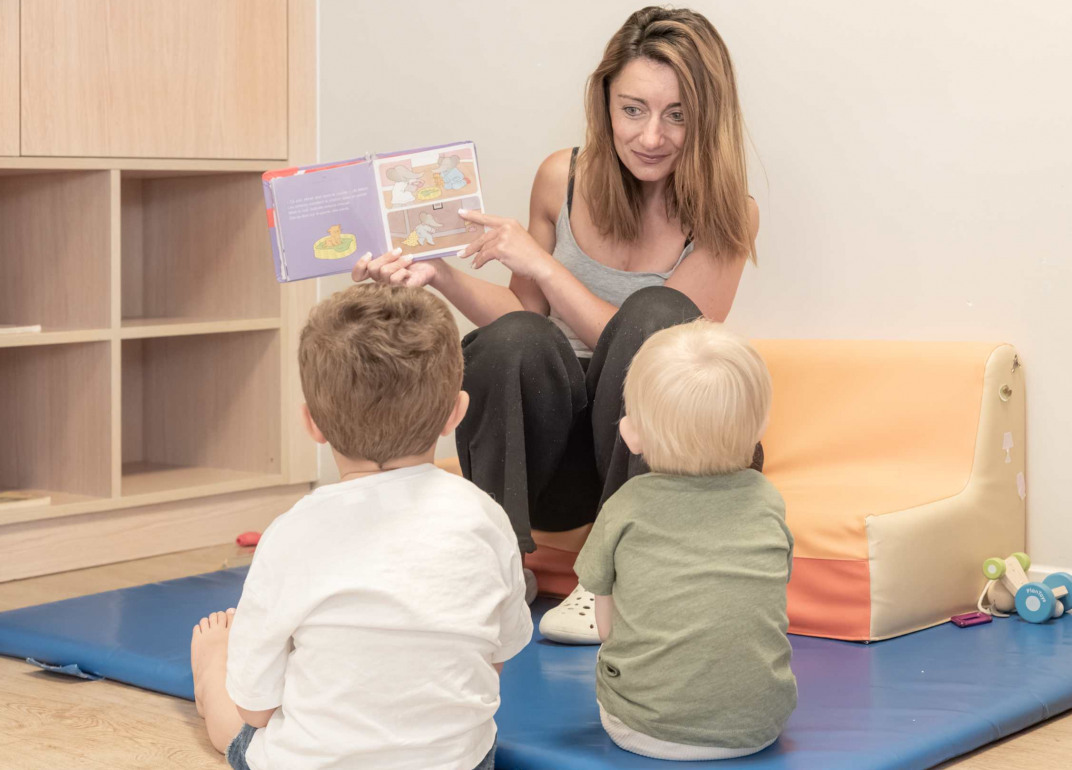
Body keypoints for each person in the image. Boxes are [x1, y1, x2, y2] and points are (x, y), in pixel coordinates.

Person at [354, 6, 759, 641]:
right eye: (633, 110)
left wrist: (543, 265)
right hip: (563, 465)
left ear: (708, 118)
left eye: (677, 114)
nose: (652, 135)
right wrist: (441, 274)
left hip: (660, 450)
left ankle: (612, 578)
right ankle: (499, 567)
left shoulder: (729, 213)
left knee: (657, 316)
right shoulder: (560, 177)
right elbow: (522, 325)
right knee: (514, 338)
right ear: (605, 103)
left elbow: (663, 360)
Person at [189, 285, 532, 770]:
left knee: (236, 727)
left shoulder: (292, 532)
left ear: (312, 424)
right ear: (455, 413)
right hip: (458, 764)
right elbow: (497, 657)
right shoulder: (486, 517)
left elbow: (256, 708)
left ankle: (208, 668)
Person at [574, 319, 796, 760]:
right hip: (759, 725)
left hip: (641, 728)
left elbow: (604, 620)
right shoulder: (768, 499)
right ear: (760, 428)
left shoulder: (626, 504)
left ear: (631, 433)